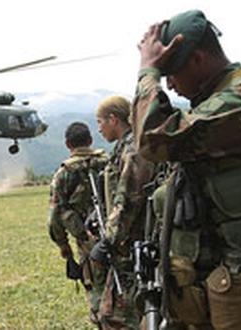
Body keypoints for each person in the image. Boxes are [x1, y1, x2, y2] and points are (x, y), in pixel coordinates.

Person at [132, 10, 241, 329]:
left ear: (198, 59)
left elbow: (153, 140)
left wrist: (148, 71)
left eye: (171, 73)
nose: (169, 85)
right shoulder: (216, 98)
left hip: (226, 285)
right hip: (197, 281)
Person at [91, 96, 155, 330]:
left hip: (133, 245)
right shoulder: (123, 149)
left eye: (100, 122)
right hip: (127, 244)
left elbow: (129, 197)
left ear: (113, 119)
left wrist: (109, 239)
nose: (98, 129)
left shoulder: (132, 149)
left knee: (116, 317)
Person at [48, 122, 108, 326]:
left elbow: (55, 215)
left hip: (87, 241)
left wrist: (63, 246)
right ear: (90, 140)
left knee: (96, 288)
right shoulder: (109, 162)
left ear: (67, 144)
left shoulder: (63, 174)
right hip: (118, 234)